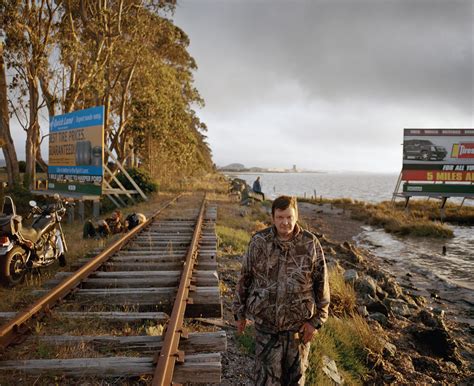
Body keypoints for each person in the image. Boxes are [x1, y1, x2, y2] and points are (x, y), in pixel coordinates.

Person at [233, 195, 330, 385]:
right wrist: (239, 313)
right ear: (273, 217)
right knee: (266, 380)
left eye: (289, 217)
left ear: (296, 216)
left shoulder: (310, 244)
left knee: (296, 380)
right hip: (266, 328)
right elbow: (245, 278)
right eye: (280, 217)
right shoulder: (259, 242)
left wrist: (316, 322)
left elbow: (322, 285)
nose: (285, 222)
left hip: (298, 330)